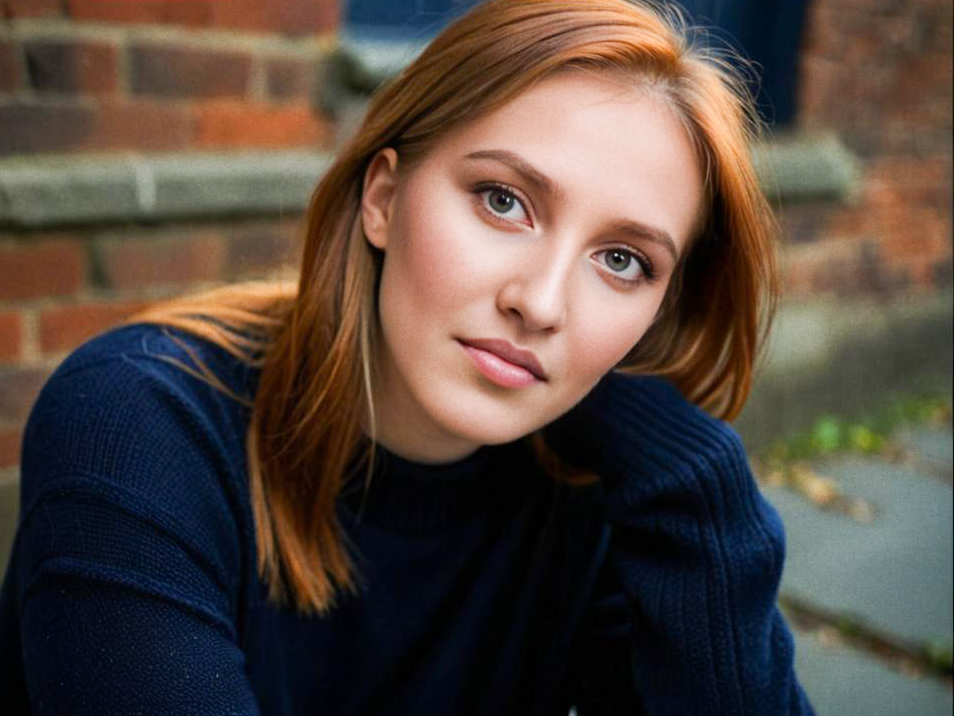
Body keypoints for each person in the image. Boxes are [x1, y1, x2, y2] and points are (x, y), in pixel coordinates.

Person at [0, 0, 815, 713]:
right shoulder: (140, 426)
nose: (540, 302)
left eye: (623, 261)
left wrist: (698, 483)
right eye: (504, 202)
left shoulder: (602, 501)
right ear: (383, 197)